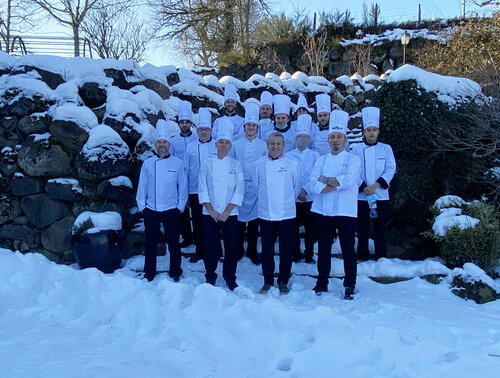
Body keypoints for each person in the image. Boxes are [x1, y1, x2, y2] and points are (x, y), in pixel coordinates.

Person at [309, 110, 361, 300]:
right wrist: (333, 184)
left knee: (348, 249)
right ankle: (321, 281)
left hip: (345, 211)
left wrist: (325, 181)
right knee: (323, 248)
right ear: (328, 140)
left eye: (339, 137)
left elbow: (348, 182)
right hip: (323, 211)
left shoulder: (353, 159)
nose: (336, 140)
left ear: (345, 140)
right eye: (332, 137)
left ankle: (349, 284)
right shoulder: (321, 160)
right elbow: (313, 183)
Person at [136, 119, 188, 282]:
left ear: (169, 144)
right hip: (151, 209)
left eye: (164, 141)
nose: (162, 144)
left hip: (171, 210)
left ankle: (175, 272)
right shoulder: (148, 164)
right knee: (150, 244)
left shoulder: (177, 163)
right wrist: (142, 207)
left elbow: (183, 187)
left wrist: (179, 207)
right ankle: (149, 273)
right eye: (159, 142)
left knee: (174, 244)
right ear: (155, 144)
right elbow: (142, 186)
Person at [199, 118, 245, 290]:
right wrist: (211, 210)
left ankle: (230, 277)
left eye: (227, 142)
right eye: (221, 142)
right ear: (215, 144)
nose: (224, 145)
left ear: (230, 145)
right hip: (209, 213)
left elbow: (240, 189)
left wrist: (226, 211)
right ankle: (210, 276)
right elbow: (202, 188)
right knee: (210, 246)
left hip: (230, 214)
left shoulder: (236, 165)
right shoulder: (206, 164)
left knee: (231, 248)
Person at [253, 132, 301, 295]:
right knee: (267, 250)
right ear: (267, 146)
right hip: (266, 213)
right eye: (272, 144)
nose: (275, 147)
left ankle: (283, 280)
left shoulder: (292, 164)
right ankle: (267, 280)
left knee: (286, 249)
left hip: (286, 213)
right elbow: (256, 186)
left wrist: (286, 202)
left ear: (283, 146)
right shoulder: (258, 164)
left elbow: (296, 187)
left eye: (278, 144)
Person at [351, 106, 396, 261]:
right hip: (362, 196)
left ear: (378, 132)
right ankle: (362, 256)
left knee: (380, 228)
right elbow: (353, 170)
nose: (371, 132)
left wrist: (375, 186)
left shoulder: (386, 149)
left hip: (381, 195)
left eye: (374, 130)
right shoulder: (356, 150)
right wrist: (364, 188)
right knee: (362, 228)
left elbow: (391, 169)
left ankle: (381, 257)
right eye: (368, 130)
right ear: (364, 132)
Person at [230, 102, 268, 264]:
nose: (251, 127)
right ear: (244, 126)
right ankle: (238, 249)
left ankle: (252, 250)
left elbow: (265, 165)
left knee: (254, 221)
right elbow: (231, 164)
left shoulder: (263, 145)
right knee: (238, 220)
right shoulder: (236, 144)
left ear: (257, 127)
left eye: (254, 125)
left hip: (257, 186)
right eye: (248, 125)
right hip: (239, 186)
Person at [285, 114, 320, 264]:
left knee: (310, 228)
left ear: (309, 139)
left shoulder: (315, 155)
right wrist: (297, 192)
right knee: (293, 228)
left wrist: (305, 190)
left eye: (306, 137)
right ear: (296, 138)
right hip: (293, 198)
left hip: (310, 197)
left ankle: (309, 253)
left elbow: (315, 176)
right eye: (300, 137)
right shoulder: (288, 155)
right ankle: (295, 253)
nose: (303, 140)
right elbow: (287, 177)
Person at [184, 108, 217, 263]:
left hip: (213, 191)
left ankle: (216, 250)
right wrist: (185, 194)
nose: (204, 132)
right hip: (195, 189)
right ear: (197, 131)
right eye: (201, 129)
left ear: (211, 131)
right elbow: (185, 170)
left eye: (206, 129)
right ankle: (200, 251)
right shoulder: (190, 147)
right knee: (197, 222)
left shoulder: (217, 145)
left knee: (212, 221)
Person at [170, 100, 197, 248]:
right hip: (180, 180)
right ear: (178, 124)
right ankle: (187, 237)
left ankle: (199, 237)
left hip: (195, 180)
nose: (185, 124)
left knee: (198, 212)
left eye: (187, 122)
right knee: (183, 211)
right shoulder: (173, 142)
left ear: (190, 123)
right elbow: (172, 162)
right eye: (182, 122)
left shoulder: (196, 139)